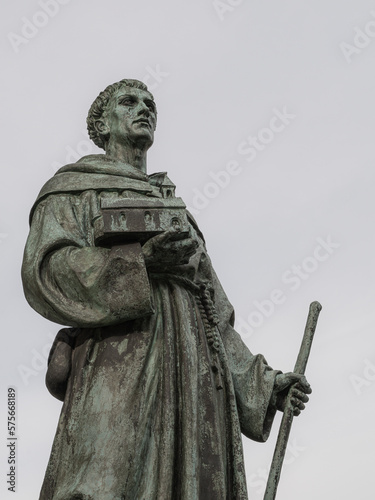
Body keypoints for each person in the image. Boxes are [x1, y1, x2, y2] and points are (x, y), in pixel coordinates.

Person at [22, 79, 311, 500]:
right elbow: (46, 270)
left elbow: (214, 311)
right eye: (129, 101)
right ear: (102, 124)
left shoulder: (179, 212)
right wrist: (137, 265)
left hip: (194, 372)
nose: (144, 109)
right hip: (121, 362)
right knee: (104, 482)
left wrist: (262, 385)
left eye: (150, 103)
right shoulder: (74, 191)